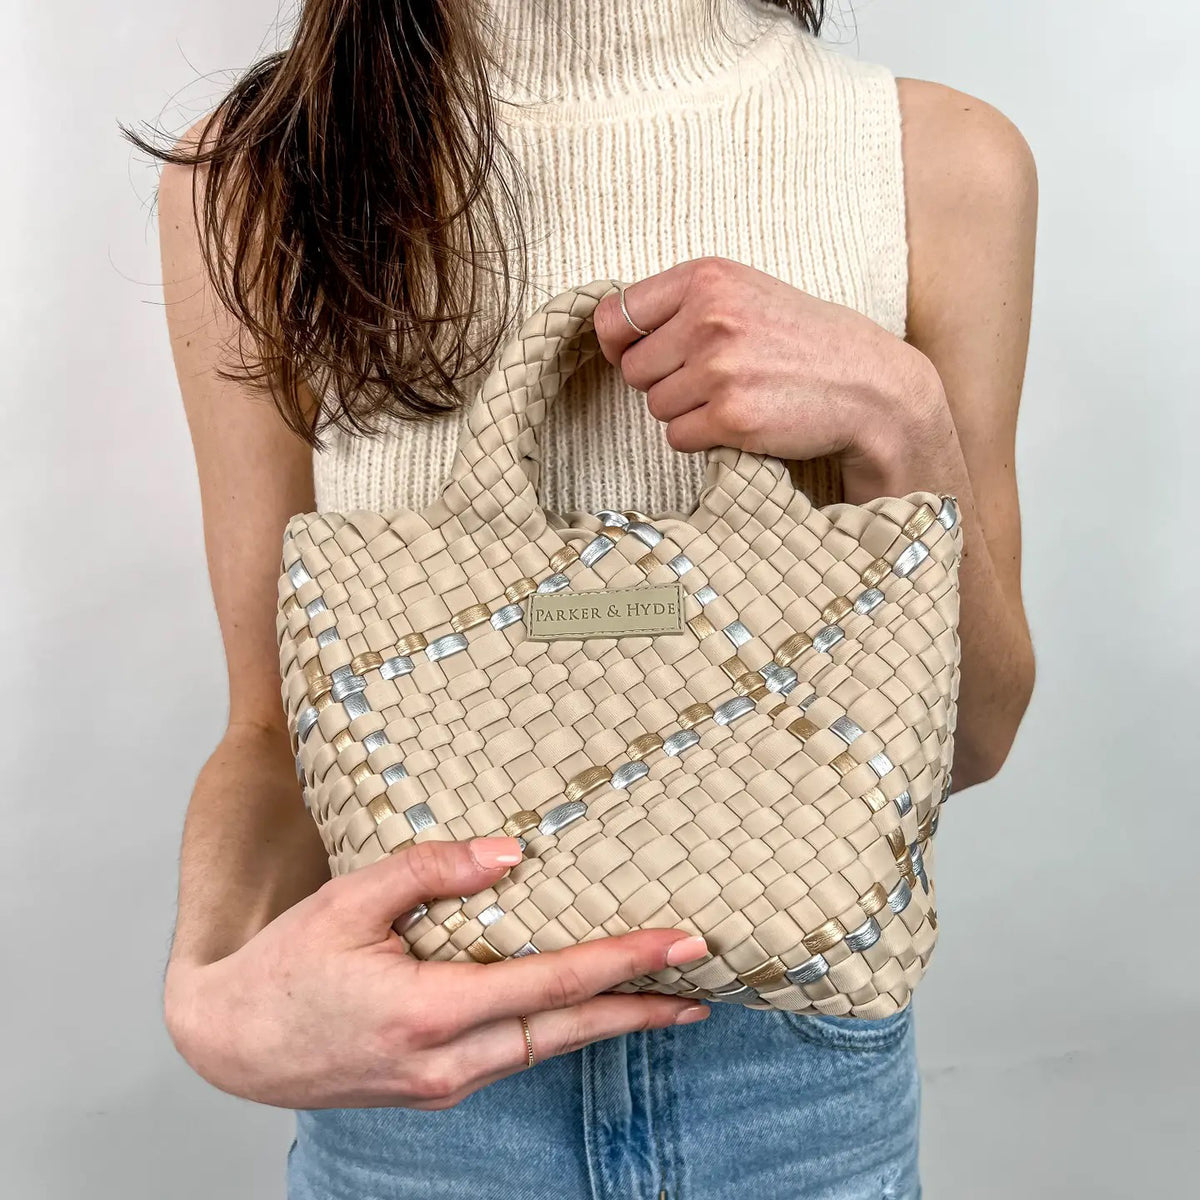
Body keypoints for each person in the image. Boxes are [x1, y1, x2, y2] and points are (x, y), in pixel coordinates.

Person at [129, 0, 1036, 1195]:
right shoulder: (256, 179)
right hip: (419, 1103)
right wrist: (208, 993)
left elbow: (968, 740)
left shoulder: (938, 160)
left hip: (796, 1090)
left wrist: (904, 421)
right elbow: (269, 735)